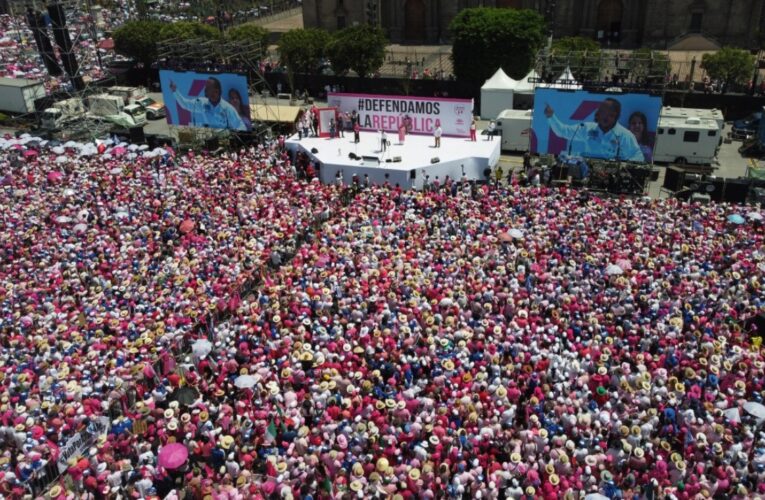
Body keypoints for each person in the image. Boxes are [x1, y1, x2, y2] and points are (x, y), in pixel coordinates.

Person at [543, 98, 644, 162]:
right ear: (598, 113)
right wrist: (551, 117)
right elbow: (563, 131)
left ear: (617, 116)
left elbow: (639, 157)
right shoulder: (586, 128)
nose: (605, 117)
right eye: (603, 113)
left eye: (610, 115)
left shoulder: (625, 135)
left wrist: (623, 165)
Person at [169, 78, 246, 131]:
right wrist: (175, 91)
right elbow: (185, 104)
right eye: (205, 87)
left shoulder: (228, 108)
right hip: (209, 135)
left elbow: (240, 126)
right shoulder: (201, 103)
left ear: (216, 91)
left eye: (208, 88)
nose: (205, 90)